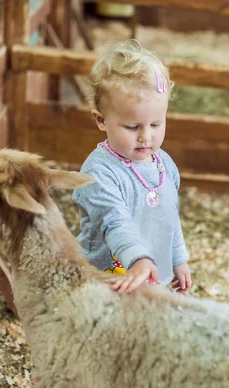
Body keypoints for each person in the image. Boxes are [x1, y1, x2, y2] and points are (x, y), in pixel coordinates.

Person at [72, 39, 192, 294]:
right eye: (132, 127)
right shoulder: (99, 174)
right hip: (107, 281)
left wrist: (178, 258)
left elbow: (170, 217)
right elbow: (114, 221)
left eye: (156, 124)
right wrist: (138, 258)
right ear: (101, 120)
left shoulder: (164, 164)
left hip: (153, 277)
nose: (145, 137)